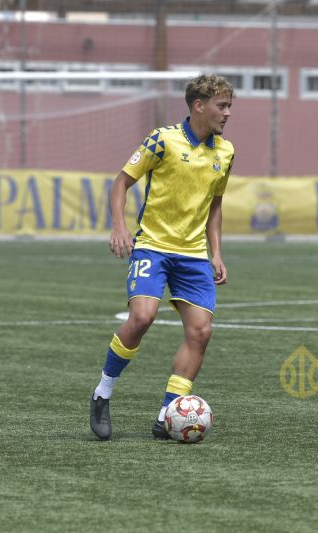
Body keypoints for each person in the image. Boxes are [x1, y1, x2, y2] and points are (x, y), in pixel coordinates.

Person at [89, 74, 235, 441]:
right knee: (141, 318)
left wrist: (216, 251)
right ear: (199, 106)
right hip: (153, 246)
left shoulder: (225, 152)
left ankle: (168, 413)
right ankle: (102, 392)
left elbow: (215, 204)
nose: (228, 113)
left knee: (200, 331)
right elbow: (121, 181)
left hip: (193, 255)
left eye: (229, 106)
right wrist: (119, 227)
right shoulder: (162, 140)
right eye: (222, 106)